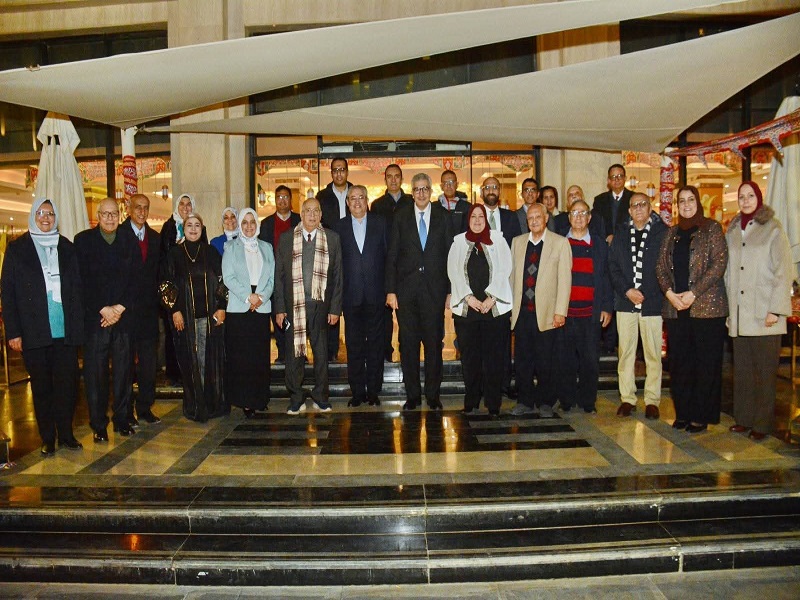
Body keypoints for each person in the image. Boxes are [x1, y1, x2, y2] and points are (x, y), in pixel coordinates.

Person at [1, 199, 84, 455]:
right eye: (40, 213)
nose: (46, 218)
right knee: (42, 387)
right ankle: (48, 437)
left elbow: (79, 290)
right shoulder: (17, 250)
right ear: (32, 215)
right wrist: (13, 332)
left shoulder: (67, 248)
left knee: (67, 386)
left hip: (64, 331)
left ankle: (66, 434)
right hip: (34, 331)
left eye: (50, 213)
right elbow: (8, 293)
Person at [656, 186, 728, 433]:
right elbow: (660, 267)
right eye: (681, 201)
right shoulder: (672, 233)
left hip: (706, 309)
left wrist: (693, 293)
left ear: (698, 202)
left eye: (690, 200)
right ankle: (684, 413)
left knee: (705, 364)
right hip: (676, 309)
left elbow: (719, 264)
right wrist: (669, 294)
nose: (686, 204)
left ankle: (701, 415)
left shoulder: (712, 228)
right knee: (681, 364)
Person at [725, 181, 793, 441]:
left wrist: (775, 309)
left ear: (759, 198)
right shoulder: (732, 229)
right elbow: (729, 274)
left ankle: (762, 424)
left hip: (765, 313)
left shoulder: (773, 229)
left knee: (764, 373)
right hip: (741, 315)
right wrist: (730, 312)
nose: (745, 200)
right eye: (741, 196)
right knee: (742, 371)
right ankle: (743, 418)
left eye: (750, 195)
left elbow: (783, 270)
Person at [386, 173, 452, 411]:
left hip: (435, 292)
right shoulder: (401, 217)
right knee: (409, 345)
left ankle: (433, 395)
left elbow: (450, 257)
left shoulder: (443, 217)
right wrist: (391, 291)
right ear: (411, 192)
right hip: (407, 294)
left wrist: (450, 291)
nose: (421, 193)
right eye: (417, 189)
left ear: (431, 191)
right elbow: (392, 255)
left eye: (425, 189)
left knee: (434, 345)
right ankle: (412, 396)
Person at [74, 197, 136, 441]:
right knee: (95, 375)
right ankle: (98, 425)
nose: (110, 218)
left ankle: (121, 419)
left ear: (119, 215)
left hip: (123, 319)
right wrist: (103, 309)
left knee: (123, 373)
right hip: (96, 320)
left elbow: (136, 278)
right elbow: (80, 281)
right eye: (105, 214)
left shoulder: (128, 239)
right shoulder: (83, 241)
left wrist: (119, 308)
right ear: (97, 216)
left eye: (114, 214)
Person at [274, 198, 343, 415]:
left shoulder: (332, 239)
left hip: (320, 306)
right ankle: (296, 397)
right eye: (307, 211)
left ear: (321, 215)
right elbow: (279, 277)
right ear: (301, 214)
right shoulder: (286, 240)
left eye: (316, 211)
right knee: (294, 354)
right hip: (294, 306)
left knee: (321, 353)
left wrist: (334, 308)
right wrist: (279, 308)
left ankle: (321, 396)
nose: (311, 215)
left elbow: (338, 276)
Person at [447, 204, 513, 417]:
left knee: (494, 359)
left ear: (486, 219)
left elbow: (505, 269)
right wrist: (469, 298)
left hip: (494, 310)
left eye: (480, 216)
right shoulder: (458, 242)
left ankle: (493, 403)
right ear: (468, 219)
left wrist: (492, 297)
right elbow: (453, 272)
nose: (477, 220)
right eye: (473, 216)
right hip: (468, 311)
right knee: (470, 359)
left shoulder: (498, 240)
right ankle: (472, 399)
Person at [161, 213, 227, 422]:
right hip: (186, 319)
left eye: (197, 225)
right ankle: (195, 406)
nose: (193, 228)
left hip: (210, 319)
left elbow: (222, 280)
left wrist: (222, 307)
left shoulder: (211, 252)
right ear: (184, 228)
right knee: (191, 363)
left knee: (209, 361)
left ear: (202, 228)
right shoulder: (174, 254)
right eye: (189, 225)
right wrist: (174, 310)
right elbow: (166, 284)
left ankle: (210, 404)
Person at [509, 202, 572, 417]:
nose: (534, 221)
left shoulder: (560, 243)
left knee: (547, 360)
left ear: (546, 218)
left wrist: (560, 311)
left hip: (547, 313)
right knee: (523, 361)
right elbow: (512, 277)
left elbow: (565, 280)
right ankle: (525, 400)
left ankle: (546, 401)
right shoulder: (517, 243)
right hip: (522, 313)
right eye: (530, 218)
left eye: (538, 217)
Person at [608, 193, 667, 419]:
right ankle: (627, 398)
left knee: (653, 354)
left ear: (650, 208)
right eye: (635, 206)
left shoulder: (662, 233)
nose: (639, 209)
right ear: (629, 211)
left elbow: (665, 268)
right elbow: (613, 266)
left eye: (643, 205)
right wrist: (628, 291)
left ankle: (652, 399)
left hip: (652, 303)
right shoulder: (621, 233)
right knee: (626, 353)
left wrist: (646, 294)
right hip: (625, 303)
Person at [557, 199, 613, 414]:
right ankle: (567, 400)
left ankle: (588, 401)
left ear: (589, 218)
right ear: (568, 217)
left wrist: (607, 307)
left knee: (590, 360)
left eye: (583, 213)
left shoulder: (599, 245)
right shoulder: (560, 242)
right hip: (565, 314)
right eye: (574, 213)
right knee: (566, 360)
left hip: (591, 313)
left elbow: (607, 278)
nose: (578, 217)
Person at [335, 185, 388, 407]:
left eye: (361, 198)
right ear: (347, 203)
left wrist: (389, 290)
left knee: (376, 345)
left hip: (376, 296)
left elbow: (388, 258)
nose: (357, 202)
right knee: (354, 346)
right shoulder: (339, 228)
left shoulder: (380, 223)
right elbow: (335, 265)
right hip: (351, 297)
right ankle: (357, 392)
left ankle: (374, 391)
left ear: (368, 200)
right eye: (352, 198)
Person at [222, 208, 275, 418]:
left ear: (257, 225)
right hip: (240, 307)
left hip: (261, 306)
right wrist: (248, 297)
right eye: (245, 222)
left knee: (260, 355)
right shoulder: (230, 247)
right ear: (240, 225)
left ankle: (260, 397)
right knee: (242, 357)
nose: (249, 226)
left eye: (252, 222)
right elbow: (228, 277)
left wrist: (261, 297)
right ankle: (245, 400)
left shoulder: (267, 247)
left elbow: (271, 277)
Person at [119, 193, 162, 427]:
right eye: (138, 207)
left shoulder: (154, 238)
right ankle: (124, 413)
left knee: (148, 365)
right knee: (125, 366)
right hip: (124, 314)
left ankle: (145, 408)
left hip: (147, 314)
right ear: (129, 209)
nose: (142, 212)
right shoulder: (119, 235)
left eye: (146, 208)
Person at [160, 193, 207, 385]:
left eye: (189, 204)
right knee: (176, 340)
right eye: (182, 204)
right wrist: (173, 308)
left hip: (199, 304)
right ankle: (177, 376)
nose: (186, 207)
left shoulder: (204, 243)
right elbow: (165, 278)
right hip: (177, 302)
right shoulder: (168, 230)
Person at [370, 164, 412, 362]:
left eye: (397, 176)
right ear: (384, 179)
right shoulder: (377, 205)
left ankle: (406, 349)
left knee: (406, 312)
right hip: (383, 264)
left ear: (402, 179)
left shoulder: (411, 201)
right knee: (384, 313)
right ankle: (385, 352)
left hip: (406, 266)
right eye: (389, 176)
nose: (393, 180)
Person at [258, 185, 300, 363]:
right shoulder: (266, 224)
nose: (282, 200)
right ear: (275, 200)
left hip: (297, 277)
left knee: (298, 317)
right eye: (279, 197)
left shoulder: (299, 220)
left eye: (285, 197)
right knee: (278, 315)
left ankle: (299, 353)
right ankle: (282, 353)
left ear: (291, 200)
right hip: (275, 278)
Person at [317, 158, 351, 361]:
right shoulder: (322, 196)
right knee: (331, 303)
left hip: (353, 255)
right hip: (328, 256)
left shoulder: (356, 193)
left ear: (347, 172)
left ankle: (354, 348)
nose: (339, 173)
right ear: (331, 173)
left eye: (342, 170)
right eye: (335, 170)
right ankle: (331, 352)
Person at [594, 164, 634, 246]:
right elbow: (595, 224)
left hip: (627, 246)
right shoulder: (600, 200)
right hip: (605, 246)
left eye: (620, 176)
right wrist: (607, 236)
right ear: (608, 180)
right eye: (613, 177)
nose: (617, 179)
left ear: (625, 178)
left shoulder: (633, 198)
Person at [481, 176, 521, 247]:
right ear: (482, 192)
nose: (491, 191)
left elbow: (518, 244)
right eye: (487, 188)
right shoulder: (473, 217)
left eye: (495, 187)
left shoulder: (511, 217)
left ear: (500, 191)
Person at [437, 170, 470, 237]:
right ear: (441, 186)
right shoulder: (435, 207)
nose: (449, 186)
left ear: (457, 185)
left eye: (451, 182)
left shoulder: (467, 207)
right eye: (445, 183)